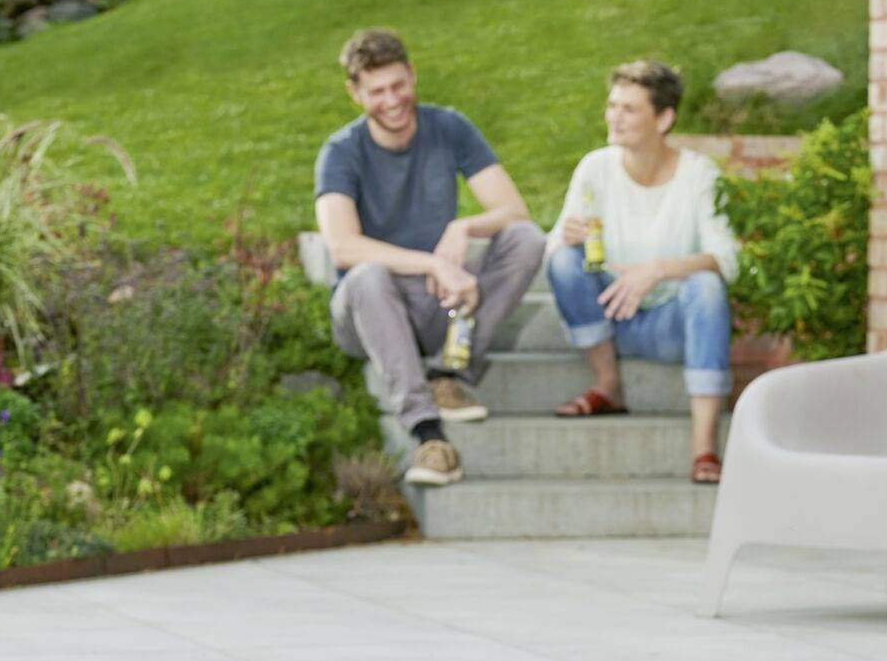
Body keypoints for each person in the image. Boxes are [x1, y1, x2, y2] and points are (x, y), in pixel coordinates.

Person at [316, 28, 545, 488]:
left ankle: (450, 373)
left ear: (413, 76)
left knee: (526, 239)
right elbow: (342, 245)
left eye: (399, 85)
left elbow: (513, 210)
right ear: (354, 93)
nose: (392, 100)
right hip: (370, 311)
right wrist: (432, 263)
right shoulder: (340, 152)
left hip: (437, 302)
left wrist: (462, 227)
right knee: (365, 277)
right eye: (376, 91)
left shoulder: (449, 127)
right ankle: (429, 435)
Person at [546, 61, 738, 484]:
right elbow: (553, 250)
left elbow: (727, 258)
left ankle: (704, 447)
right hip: (610, 314)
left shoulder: (699, 175)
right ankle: (607, 384)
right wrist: (568, 237)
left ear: (664, 118)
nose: (614, 116)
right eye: (612, 105)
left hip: (669, 323)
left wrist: (657, 270)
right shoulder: (595, 168)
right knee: (562, 259)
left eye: (629, 109)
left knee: (706, 286)